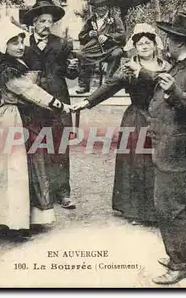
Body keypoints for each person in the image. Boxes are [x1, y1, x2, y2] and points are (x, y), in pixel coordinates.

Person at [125, 12, 186, 284]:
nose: (165, 42)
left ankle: (179, 263)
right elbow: (162, 81)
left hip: (179, 150)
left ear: (178, 41)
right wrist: (150, 76)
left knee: (169, 206)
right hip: (178, 147)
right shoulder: (185, 63)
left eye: (168, 38)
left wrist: (175, 94)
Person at [0, 18, 72, 240]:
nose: (20, 46)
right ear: (4, 46)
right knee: (12, 170)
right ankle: (10, 221)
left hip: (20, 118)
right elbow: (30, 91)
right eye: (14, 43)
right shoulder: (7, 69)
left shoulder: (16, 65)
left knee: (21, 169)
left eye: (21, 41)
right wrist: (61, 105)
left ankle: (18, 218)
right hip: (12, 121)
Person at [72, 23, 170, 225]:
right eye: (139, 43)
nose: (143, 46)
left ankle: (157, 209)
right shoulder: (127, 68)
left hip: (161, 119)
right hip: (135, 118)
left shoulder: (166, 66)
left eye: (147, 42)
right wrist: (87, 102)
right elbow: (109, 86)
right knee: (135, 162)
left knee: (158, 162)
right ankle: (136, 211)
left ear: (154, 45)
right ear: (134, 46)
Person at [22, 0, 79, 209]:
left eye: (50, 21)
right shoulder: (24, 44)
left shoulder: (62, 44)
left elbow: (70, 73)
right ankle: (39, 194)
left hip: (59, 102)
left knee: (60, 146)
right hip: (34, 103)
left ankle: (63, 193)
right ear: (34, 23)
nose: (47, 25)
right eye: (43, 21)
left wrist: (73, 68)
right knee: (35, 146)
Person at [75, 0, 125, 94]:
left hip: (112, 47)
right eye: (98, 6)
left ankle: (108, 85)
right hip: (96, 48)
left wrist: (108, 37)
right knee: (81, 54)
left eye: (103, 6)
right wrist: (89, 34)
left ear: (107, 7)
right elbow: (81, 36)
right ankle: (84, 85)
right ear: (95, 8)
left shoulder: (115, 18)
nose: (101, 9)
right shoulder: (91, 20)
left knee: (116, 54)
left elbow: (122, 35)